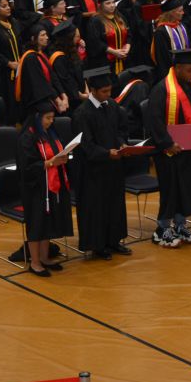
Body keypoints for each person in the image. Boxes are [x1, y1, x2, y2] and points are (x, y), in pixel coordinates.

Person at [146, 48, 191, 247]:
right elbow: (154, 122)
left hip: (187, 146)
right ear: (178, 68)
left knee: (184, 189)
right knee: (170, 191)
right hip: (168, 151)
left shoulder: (190, 87)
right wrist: (168, 143)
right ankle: (162, 229)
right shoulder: (161, 90)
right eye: (189, 70)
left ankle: (180, 225)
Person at [73, 66, 131, 258]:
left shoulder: (112, 106)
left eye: (109, 90)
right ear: (93, 91)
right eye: (104, 91)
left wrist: (122, 144)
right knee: (96, 208)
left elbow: (121, 130)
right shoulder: (82, 113)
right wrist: (106, 153)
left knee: (114, 204)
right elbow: (86, 144)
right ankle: (98, 246)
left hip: (113, 166)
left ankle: (114, 240)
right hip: (92, 170)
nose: (108, 94)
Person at [17, 97, 73, 276]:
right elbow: (27, 167)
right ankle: (34, 263)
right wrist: (50, 163)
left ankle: (45, 257)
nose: (51, 121)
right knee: (36, 223)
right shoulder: (27, 138)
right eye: (47, 118)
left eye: (52, 118)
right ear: (37, 117)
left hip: (51, 185)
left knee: (47, 222)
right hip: (34, 188)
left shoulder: (50, 133)